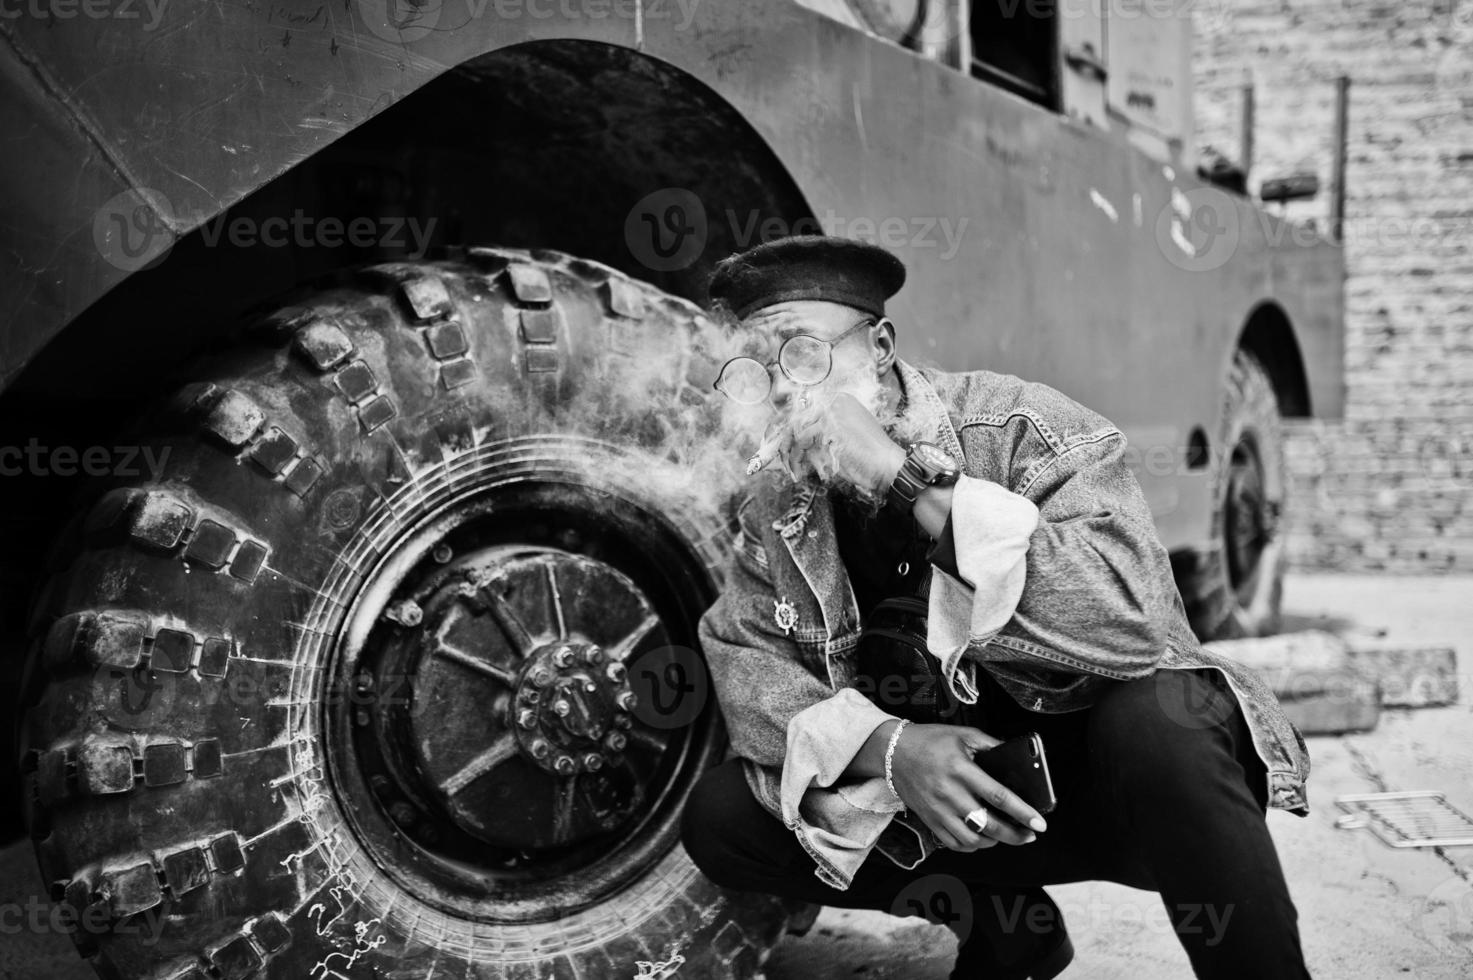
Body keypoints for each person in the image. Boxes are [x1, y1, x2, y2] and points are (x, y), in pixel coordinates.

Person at [681, 235, 1313, 979]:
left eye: (805, 356)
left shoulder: (1019, 428)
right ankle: (1015, 933)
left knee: (1157, 716)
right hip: (961, 801)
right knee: (724, 818)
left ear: (879, 347)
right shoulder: (779, 504)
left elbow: (1128, 620)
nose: (787, 392)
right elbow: (747, 666)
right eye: (760, 371)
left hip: (1125, 792)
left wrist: (901, 478)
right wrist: (889, 747)